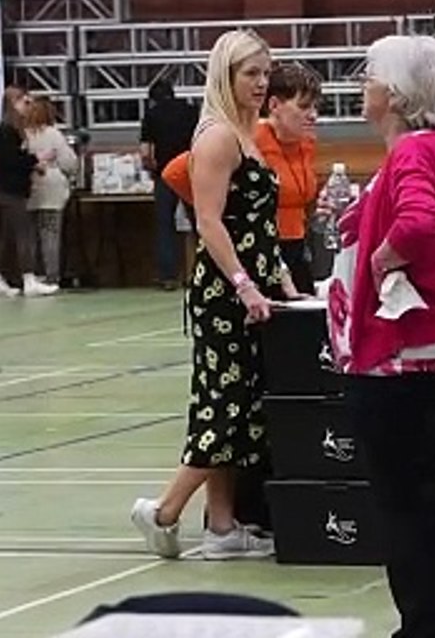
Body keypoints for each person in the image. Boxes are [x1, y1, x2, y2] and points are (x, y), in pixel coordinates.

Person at [131, 29, 303, 561]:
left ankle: (223, 527)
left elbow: (258, 224)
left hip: (256, 288)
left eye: (264, 72)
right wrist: (246, 284)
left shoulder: (251, 134)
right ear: (225, 76)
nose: (260, 82)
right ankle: (162, 512)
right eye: (249, 73)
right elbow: (209, 223)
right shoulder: (217, 138)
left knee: (239, 406)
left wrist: (284, 283)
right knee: (226, 408)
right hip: (225, 294)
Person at [327, 34, 435, 638]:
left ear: (391, 92)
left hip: (396, 356)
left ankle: (425, 627)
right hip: (425, 354)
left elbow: (419, 222)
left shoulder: (414, 154)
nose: (363, 88)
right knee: (427, 501)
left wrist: (382, 259)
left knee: (405, 506)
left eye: (369, 78)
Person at [256, 63, 321, 295]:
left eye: (315, 107)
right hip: (260, 251)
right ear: (274, 105)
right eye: (303, 107)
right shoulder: (247, 141)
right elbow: (177, 173)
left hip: (297, 247)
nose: (313, 115)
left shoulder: (305, 142)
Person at [0, 87, 59, 298]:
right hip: (11, 189)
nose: (28, 108)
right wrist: (36, 159)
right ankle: (29, 278)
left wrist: (31, 163)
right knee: (23, 233)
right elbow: (12, 160)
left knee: (7, 233)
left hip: (9, 187)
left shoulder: (11, 130)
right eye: (24, 103)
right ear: (14, 104)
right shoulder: (8, 130)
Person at [140, 79, 200, 290]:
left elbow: (146, 152)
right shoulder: (192, 111)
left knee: (165, 225)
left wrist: (151, 169)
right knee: (202, 223)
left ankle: (169, 276)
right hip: (192, 171)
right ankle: (206, 270)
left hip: (165, 174)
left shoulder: (152, 115)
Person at [25, 97, 78, 286]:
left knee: (29, 236)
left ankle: (30, 275)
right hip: (52, 189)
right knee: (50, 234)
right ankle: (51, 276)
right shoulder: (54, 134)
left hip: (28, 189)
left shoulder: (23, 135)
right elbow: (69, 162)